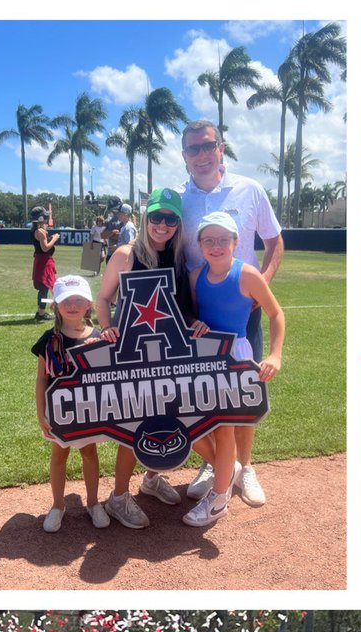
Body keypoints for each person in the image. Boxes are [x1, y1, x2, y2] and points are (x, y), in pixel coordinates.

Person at [179, 120, 283, 507]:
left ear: (221, 148)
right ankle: (216, 465)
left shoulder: (249, 189)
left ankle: (247, 466)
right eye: (193, 149)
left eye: (208, 146)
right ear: (184, 156)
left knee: (246, 389)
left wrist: (263, 285)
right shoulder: (179, 198)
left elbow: (274, 241)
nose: (202, 155)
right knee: (205, 394)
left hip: (242, 308)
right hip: (200, 316)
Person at [96, 187, 197, 527]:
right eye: (156, 217)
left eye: (170, 218)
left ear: (177, 223)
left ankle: (152, 479)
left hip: (168, 355)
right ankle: (118, 498)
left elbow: (181, 310)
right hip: (132, 357)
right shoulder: (126, 254)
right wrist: (107, 327)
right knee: (133, 426)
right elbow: (103, 300)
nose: (162, 225)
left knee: (167, 420)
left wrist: (194, 322)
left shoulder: (180, 257)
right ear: (146, 218)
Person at [181, 211, 285, 529]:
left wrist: (275, 355)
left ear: (236, 243)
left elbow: (276, 314)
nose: (216, 246)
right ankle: (225, 470)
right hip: (203, 358)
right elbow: (190, 316)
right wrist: (192, 323)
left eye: (223, 240)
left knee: (224, 428)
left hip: (235, 358)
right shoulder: (195, 277)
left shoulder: (247, 275)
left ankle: (218, 498)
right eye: (209, 240)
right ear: (199, 244)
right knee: (197, 426)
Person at [33, 274, 109, 533]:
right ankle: (58, 505)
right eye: (67, 300)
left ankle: (93, 502)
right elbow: (42, 379)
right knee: (59, 455)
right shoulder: (49, 339)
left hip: (88, 410)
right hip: (60, 411)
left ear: (88, 303)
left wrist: (98, 348)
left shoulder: (98, 336)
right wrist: (41, 413)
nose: (73, 305)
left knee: (89, 452)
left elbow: (108, 375)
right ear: (55, 305)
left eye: (79, 300)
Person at [31, 205, 60, 319]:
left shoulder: (38, 230)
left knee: (45, 287)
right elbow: (45, 248)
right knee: (44, 287)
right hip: (44, 262)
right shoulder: (40, 231)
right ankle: (41, 313)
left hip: (42, 260)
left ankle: (41, 311)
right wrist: (54, 239)